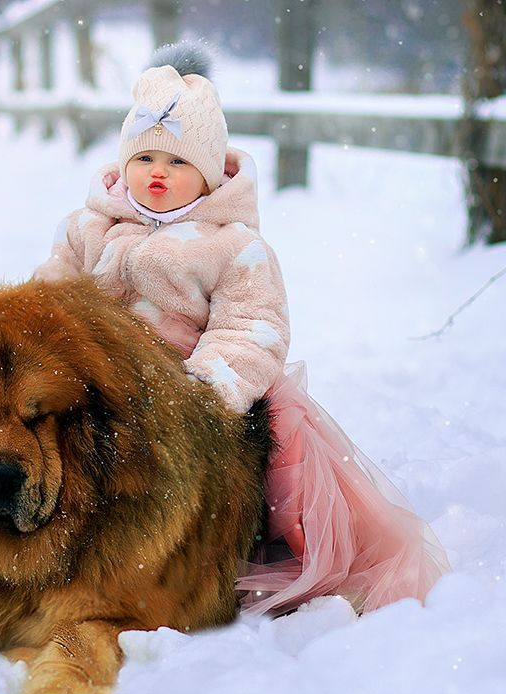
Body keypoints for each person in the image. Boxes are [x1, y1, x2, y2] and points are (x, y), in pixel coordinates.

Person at [31, 41, 450, 615]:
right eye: (146, 159)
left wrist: (201, 389)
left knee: (283, 437)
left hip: (199, 388)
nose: (159, 173)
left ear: (207, 178)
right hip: (99, 378)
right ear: (123, 164)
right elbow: (49, 299)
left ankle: (279, 543)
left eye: (179, 164)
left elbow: (253, 327)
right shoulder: (87, 229)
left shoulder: (233, 246)